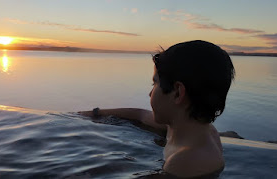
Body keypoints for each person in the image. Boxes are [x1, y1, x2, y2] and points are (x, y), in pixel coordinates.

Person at [80, 40, 235, 178]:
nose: (150, 93)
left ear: (177, 93)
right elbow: (139, 114)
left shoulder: (187, 160)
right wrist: (95, 113)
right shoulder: (183, 128)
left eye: (154, 84)